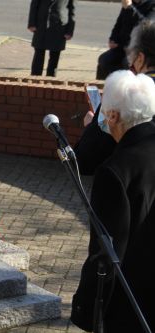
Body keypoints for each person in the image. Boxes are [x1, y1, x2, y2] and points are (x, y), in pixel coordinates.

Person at [71, 70, 155, 332]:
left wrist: (85, 308)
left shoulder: (115, 171)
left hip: (132, 302)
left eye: (104, 114)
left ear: (114, 116)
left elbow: (106, 253)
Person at [75, 19, 155, 175]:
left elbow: (84, 160)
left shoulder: (124, 93)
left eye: (131, 58)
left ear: (140, 58)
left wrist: (92, 127)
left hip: (131, 189)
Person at [96, 0, 155, 80]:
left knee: (126, 63)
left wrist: (130, 8)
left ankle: (126, 87)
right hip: (123, 47)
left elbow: (145, 25)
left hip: (139, 49)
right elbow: (119, 23)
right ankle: (102, 86)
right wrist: (113, 38)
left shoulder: (151, 5)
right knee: (104, 60)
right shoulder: (129, 4)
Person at [27, 0, 76, 77]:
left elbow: (72, 10)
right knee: (38, 54)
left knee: (54, 56)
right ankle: (35, 79)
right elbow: (34, 5)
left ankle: (50, 80)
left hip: (59, 27)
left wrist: (70, 31)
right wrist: (31, 23)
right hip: (41, 25)